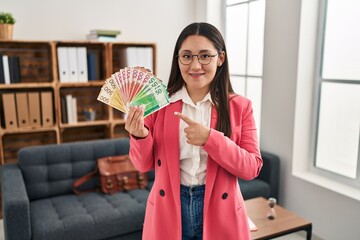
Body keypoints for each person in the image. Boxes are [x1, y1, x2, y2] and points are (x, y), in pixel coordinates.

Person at [125, 22, 263, 240]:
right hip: (169, 207)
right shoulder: (157, 104)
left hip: (221, 211)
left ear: (220, 58)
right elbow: (142, 165)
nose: (195, 65)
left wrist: (210, 138)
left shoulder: (241, 106)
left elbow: (251, 168)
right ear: (178, 59)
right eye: (187, 56)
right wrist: (139, 136)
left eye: (205, 56)